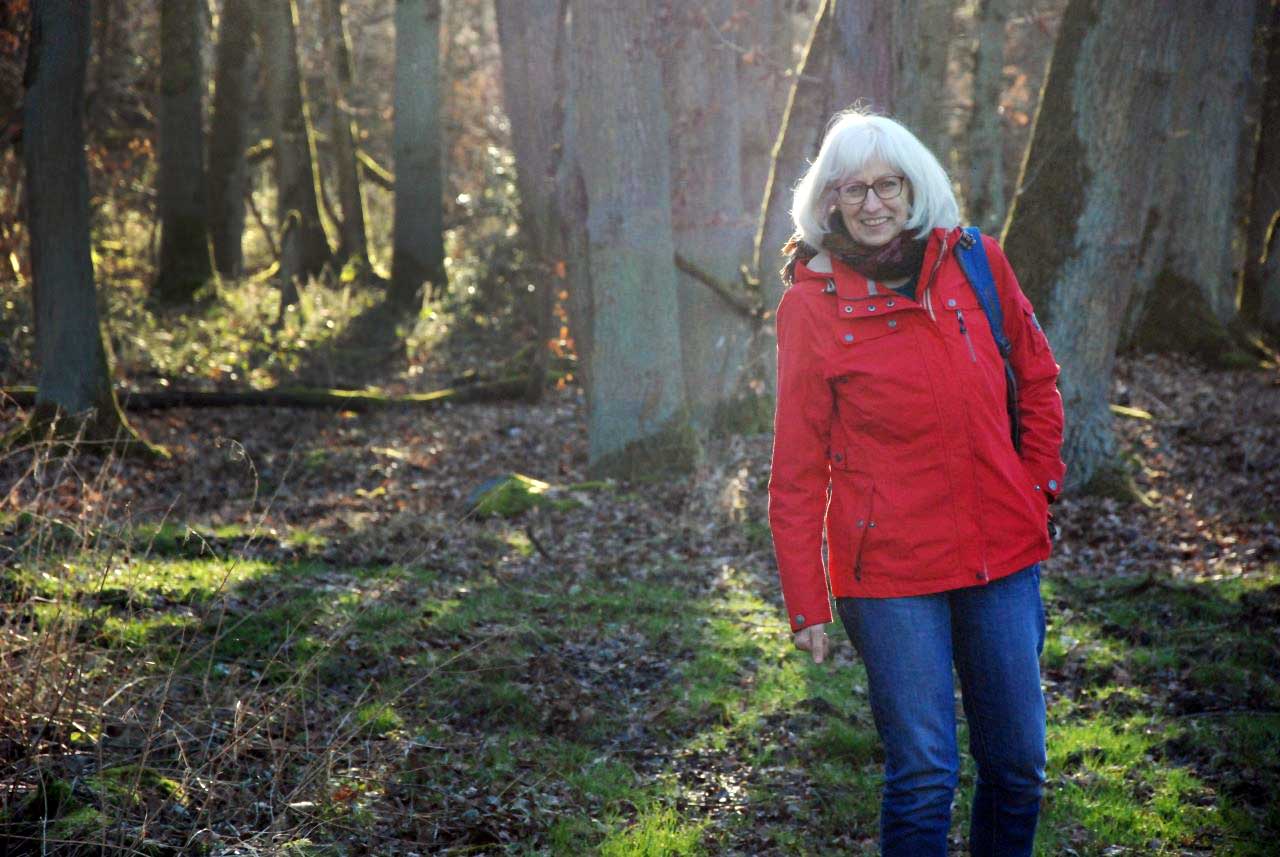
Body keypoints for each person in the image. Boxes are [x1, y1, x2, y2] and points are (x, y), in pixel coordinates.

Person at [767, 110, 1065, 856]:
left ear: (913, 185)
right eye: (854, 189)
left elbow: (1037, 377)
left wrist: (1036, 488)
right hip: (891, 574)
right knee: (926, 770)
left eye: (887, 185)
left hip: (1001, 554)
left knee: (1019, 766)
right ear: (830, 200)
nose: (873, 203)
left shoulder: (976, 263)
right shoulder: (811, 306)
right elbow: (797, 465)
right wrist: (807, 597)